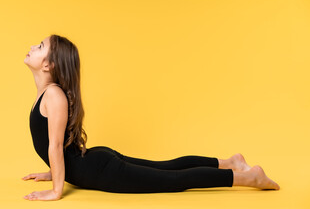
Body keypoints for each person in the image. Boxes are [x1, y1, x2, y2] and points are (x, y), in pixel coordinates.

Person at [22, 34, 280, 201]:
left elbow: (55, 145)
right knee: (167, 168)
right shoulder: (47, 93)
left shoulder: (53, 96)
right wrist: (54, 172)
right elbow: (58, 147)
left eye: (40, 46)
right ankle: (230, 162)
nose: (33, 46)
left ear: (49, 65)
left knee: (172, 179)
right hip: (95, 164)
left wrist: (56, 190)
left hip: (100, 170)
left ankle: (249, 177)